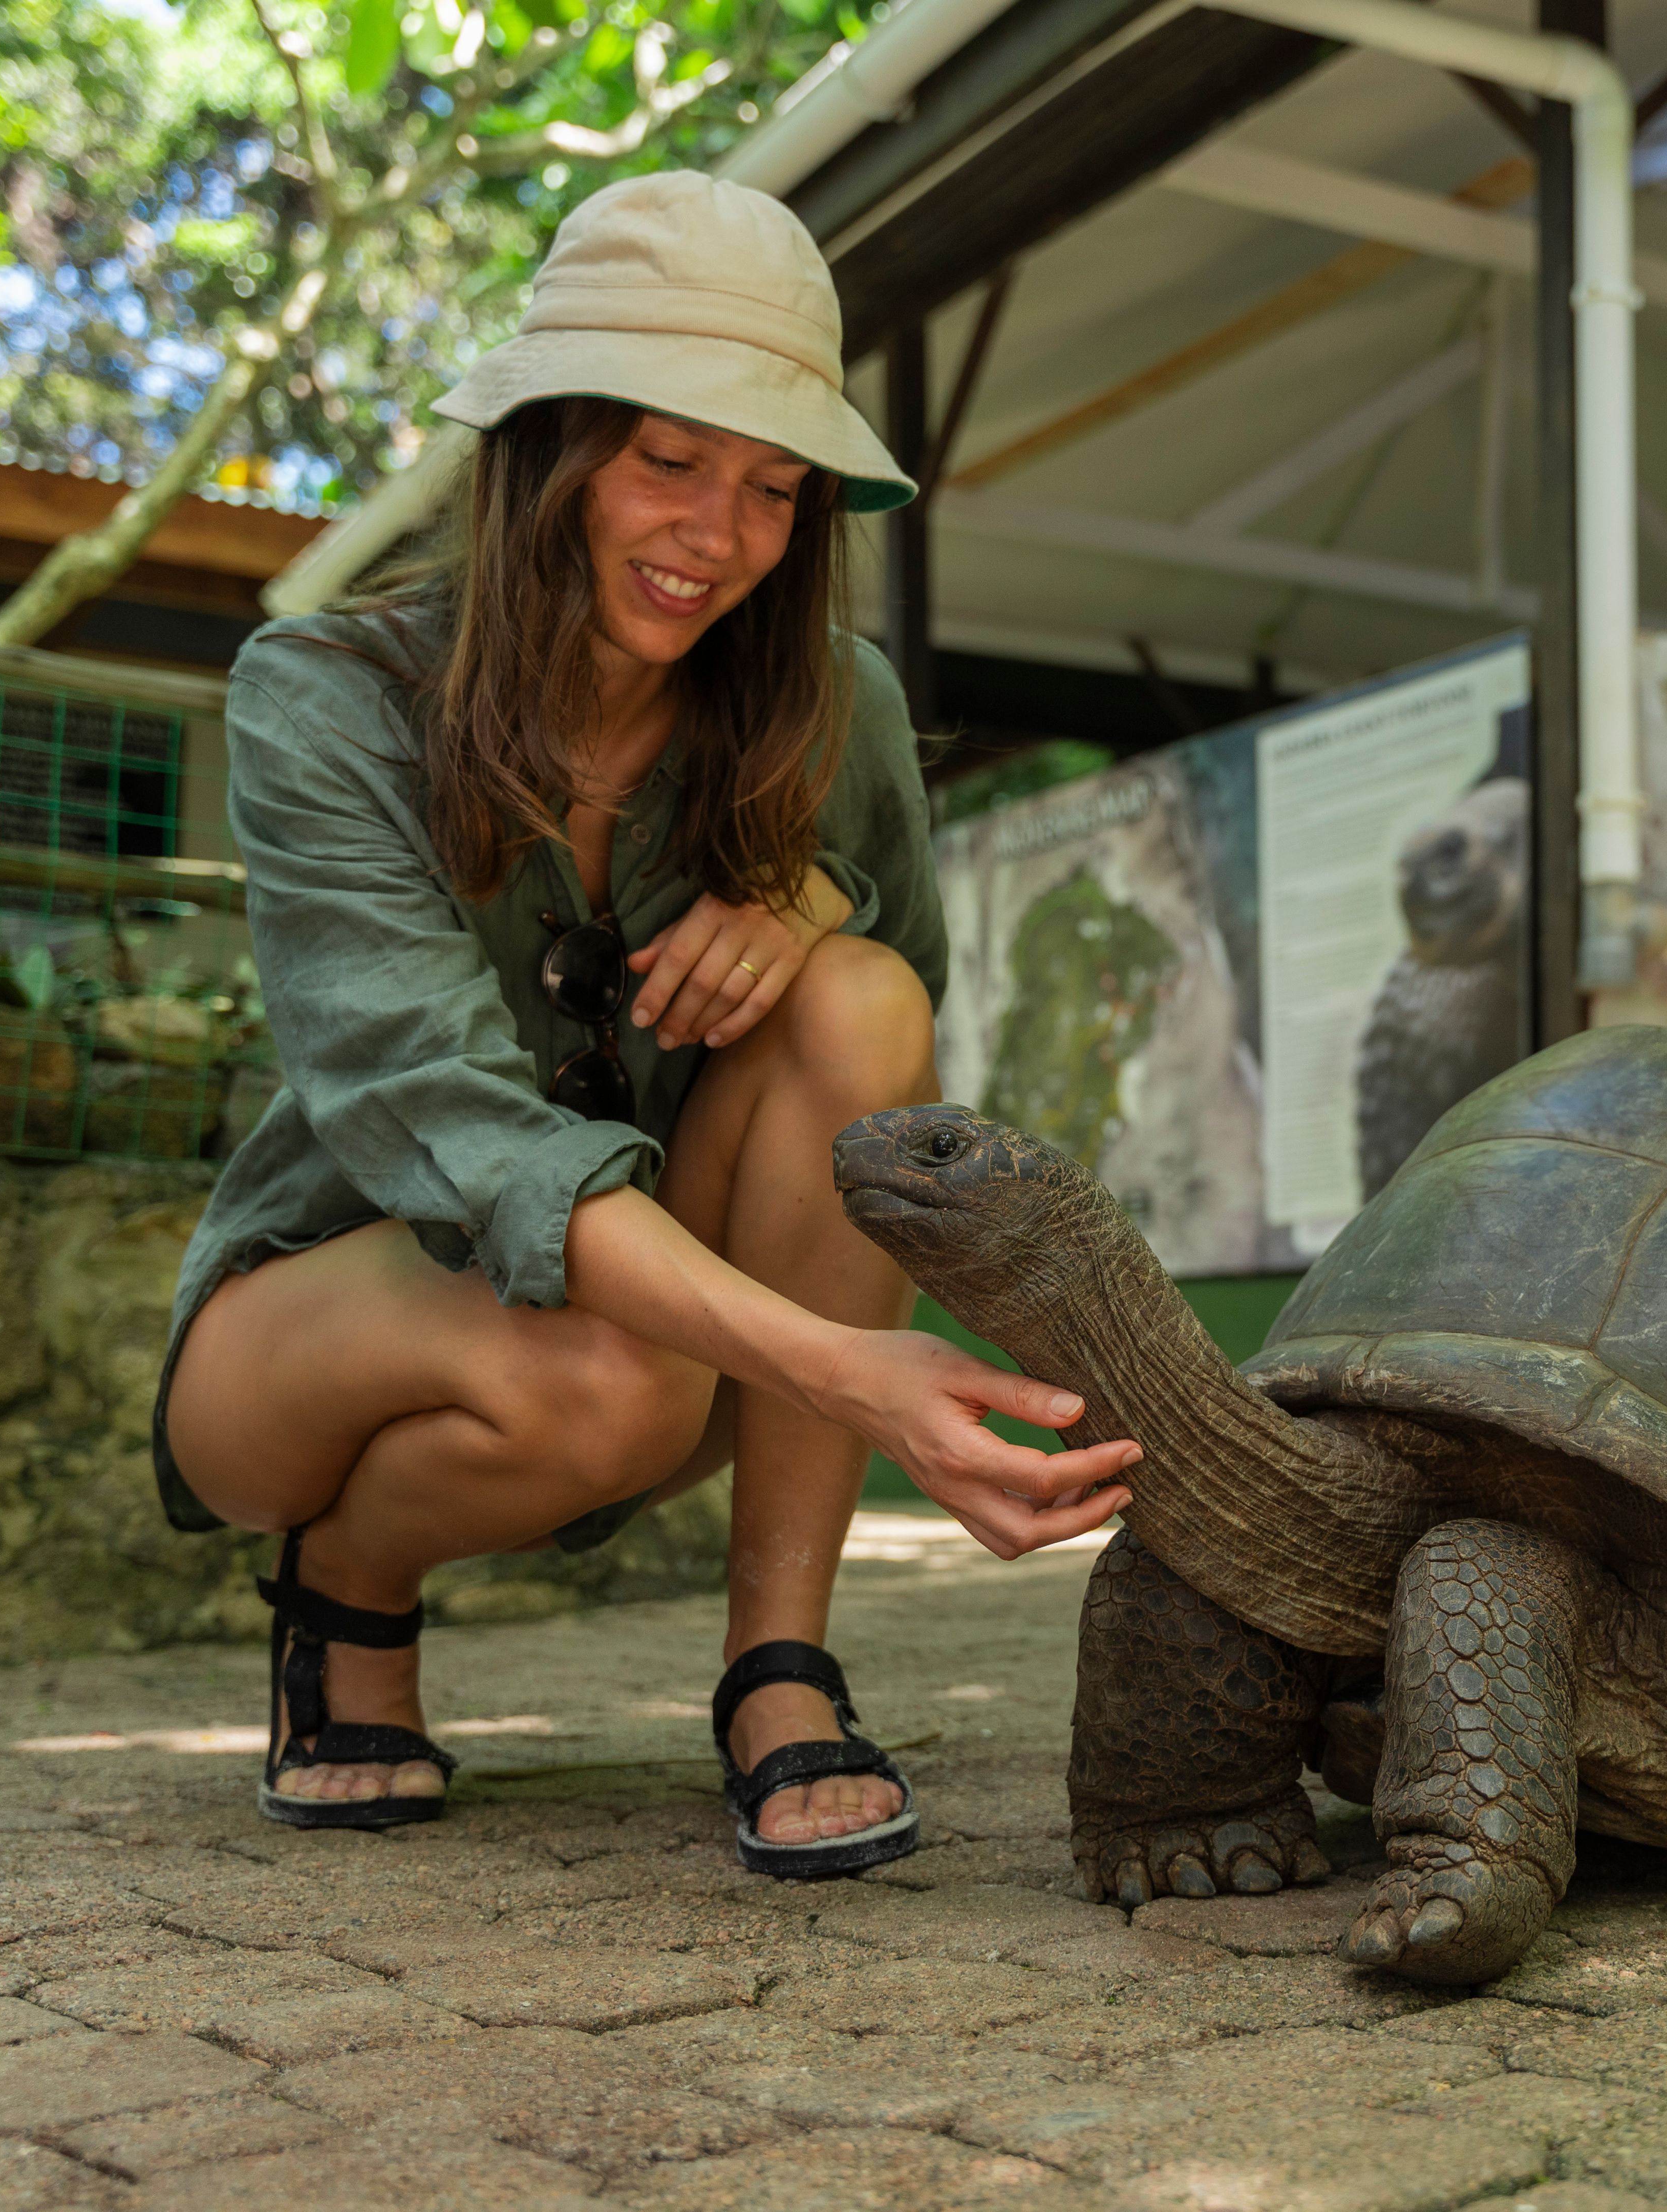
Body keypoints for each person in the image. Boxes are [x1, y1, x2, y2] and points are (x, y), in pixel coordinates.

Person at [154, 173, 1138, 1878]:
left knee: (859, 995)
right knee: (607, 1377)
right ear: (545, 449)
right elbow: (434, 1115)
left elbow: (898, 995)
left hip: (671, 1339)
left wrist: (809, 902)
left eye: (770, 487)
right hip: (321, 1336)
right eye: (664, 460)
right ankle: (347, 1590)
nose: (716, 534)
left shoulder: (838, 704)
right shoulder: (325, 695)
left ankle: (778, 1666)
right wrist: (856, 1374)